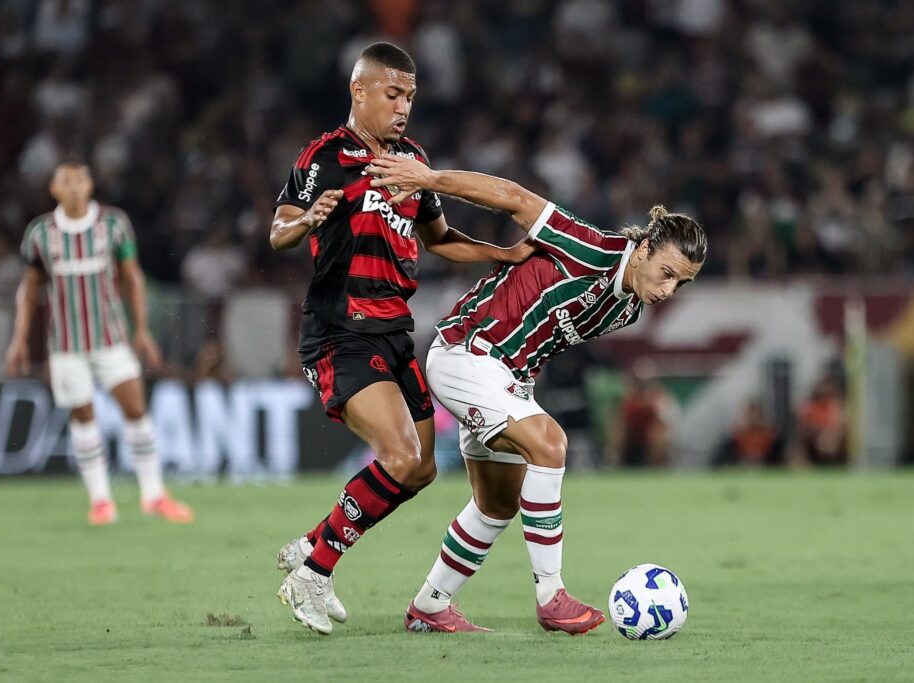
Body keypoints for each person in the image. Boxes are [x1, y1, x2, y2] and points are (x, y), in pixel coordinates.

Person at [366, 154, 706, 634]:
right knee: (550, 443)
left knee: (496, 504)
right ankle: (551, 596)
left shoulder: (628, 308)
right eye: (667, 272)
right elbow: (513, 198)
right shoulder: (590, 247)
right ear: (646, 248)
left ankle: (430, 605)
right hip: (468, 354)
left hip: (505, 378)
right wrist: (430, 179)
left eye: (681, 283)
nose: (669, 290)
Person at [269, 42, 531, 635]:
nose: (404, 106)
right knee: (401, 456)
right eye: (393, 94)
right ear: (359, 90)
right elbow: (278, 230)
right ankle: (314, 571)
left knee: (421, 470)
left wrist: (503, 254)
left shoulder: (412, 160)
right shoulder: (327, 156)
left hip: (392, 332)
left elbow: (439, 238)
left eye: (410, 95)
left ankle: (313, 543)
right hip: (340, 331)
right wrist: (306, 220)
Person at [5, 161, 193, 526]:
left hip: (111, 338)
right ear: (54, 188)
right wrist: (19, 337)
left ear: (90, 185)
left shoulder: (113, 224)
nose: (74, 187)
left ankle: (154, 495)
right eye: (66, 181)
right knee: (83, 418)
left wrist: (141, 330)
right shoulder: (40, 233)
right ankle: (101, 501)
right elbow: (29, 287)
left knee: (136, 409)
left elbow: (132, 278)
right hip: (66, 345)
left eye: (80, 180)